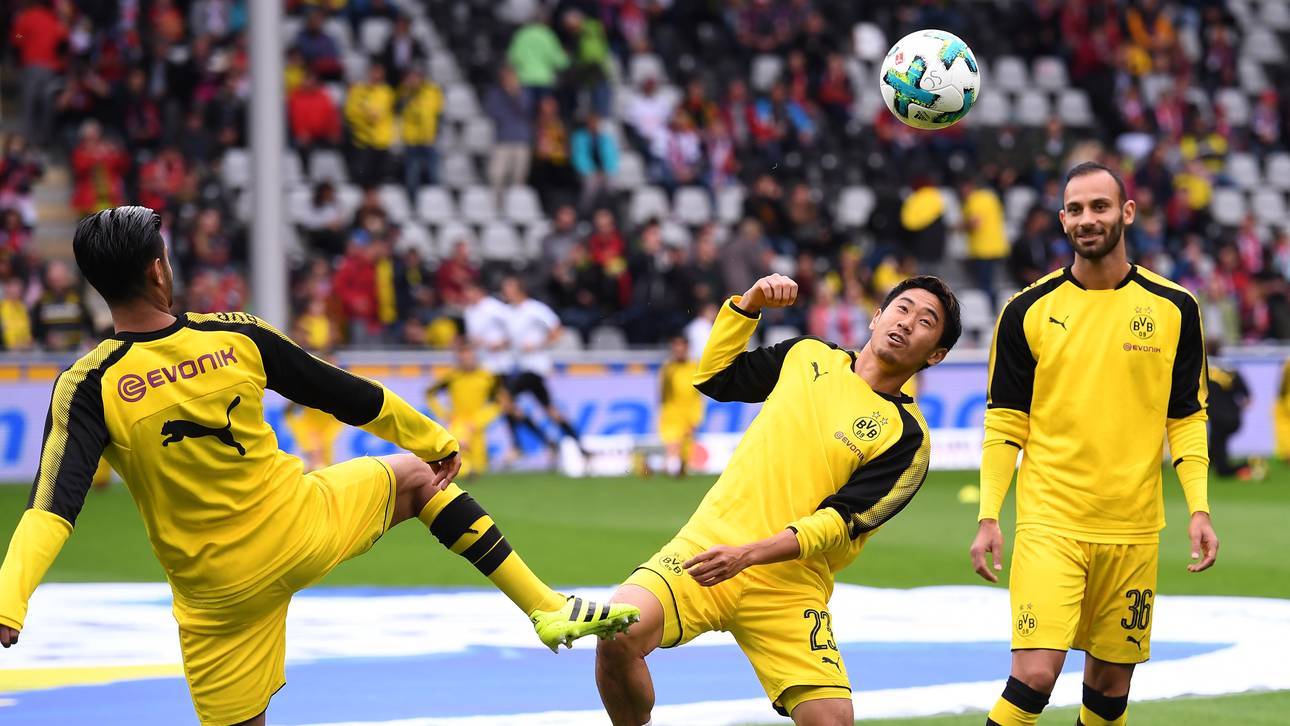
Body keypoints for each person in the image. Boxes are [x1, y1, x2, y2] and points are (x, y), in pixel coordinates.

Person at [0, 207, 639, 726]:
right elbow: (345, 393)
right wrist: (431, 437)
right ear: (159, 271)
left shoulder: (86, 385)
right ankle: (546, 605)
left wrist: (9, 603)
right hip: (300, 525)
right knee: (417, 479)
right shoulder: (235, 335)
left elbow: (51, 509)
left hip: (219, 593)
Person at [596, 272, 962, 725]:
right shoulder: (807, 355)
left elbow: (838, 523)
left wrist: (750, 554)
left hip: (789, 585)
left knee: (832, 721)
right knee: (617, 633)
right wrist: (747, 306)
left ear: (937, 354)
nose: (907, 322)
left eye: (926, 321)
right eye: (902, 308)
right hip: (705, 549)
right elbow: (714, 378)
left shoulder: (908, 439)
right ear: (876, 317)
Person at [969, 162, 1220, 726]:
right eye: (1076, 210)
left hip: (1133, 528)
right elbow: (1005, 425)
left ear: (1127, 213)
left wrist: (1199, 506)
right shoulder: (1026, 311)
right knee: (1034, 676)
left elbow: (1186, 416)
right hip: (1050, 522)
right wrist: (989, 515)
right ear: (1062, 220)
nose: (1088, 219)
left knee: (1108, 692)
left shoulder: (1175, 307)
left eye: (1100, 207)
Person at [499, 275, 589, 461]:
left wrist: (538, 344)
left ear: (519, 289)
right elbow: (512, 340)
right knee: (550, 411)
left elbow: (558, 330)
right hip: (522, 366)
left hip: (536, 367)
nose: (505, 291)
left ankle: (520, 446)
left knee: (505, 399)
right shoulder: (509, 312)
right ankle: (580, 447)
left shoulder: (535, 309)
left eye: (508, 287)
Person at [427, 341, 502, 478]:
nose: (466, 359)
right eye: (462, 356)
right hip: (458, 423)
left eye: (469, 355)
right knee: (458, 461)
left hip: (477, 425)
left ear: (475, 357)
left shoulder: (487, 376)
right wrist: (444, 414)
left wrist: (482, 419)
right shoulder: (452, 376)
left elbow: (498, 402)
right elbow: (430, 394)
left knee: (480, 468)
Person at [1206, 341, 1261, 480]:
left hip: (1217, 419)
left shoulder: (1204, 370)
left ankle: (1248, 464)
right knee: (1216, 446)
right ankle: (1210, 466)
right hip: (1234, 419)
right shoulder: (1231, 370)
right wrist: (1236, 409)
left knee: (1219, 462)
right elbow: (1248, 398)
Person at [657, 335, 703, 477]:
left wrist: (696, 417)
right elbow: (662, 393)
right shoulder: (667, 369)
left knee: (684, 452)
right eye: (676, 349)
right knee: (672, 444)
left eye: (681, 348)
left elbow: (698, 394)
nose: (679, 352)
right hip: (671, 413)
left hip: (689, 413)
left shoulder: (695, 366)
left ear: (686, 349)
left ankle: (677, 467)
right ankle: (670, 468)